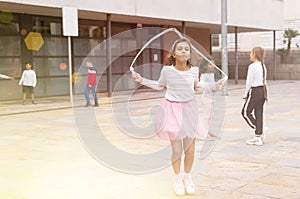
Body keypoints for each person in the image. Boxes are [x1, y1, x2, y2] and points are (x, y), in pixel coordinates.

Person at [132, 38, 205, 196]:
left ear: (190, 53)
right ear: (173, 53)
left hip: (190, 110)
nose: (184, 51)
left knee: (190, 150)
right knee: (177, 150)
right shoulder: (167, 71)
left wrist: (214, 86)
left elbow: (197, 87)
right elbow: (160, 86)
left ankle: (187, 177)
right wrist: (141, 80)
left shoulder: (194, 71)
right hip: (172, 111)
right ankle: (177, 178)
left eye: (186, 49)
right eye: (180, 49)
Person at [241, 47, 268, 146]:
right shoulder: (263, 66)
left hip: (255, 91)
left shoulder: (253, 66)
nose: (250, 55)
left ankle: (259, 130)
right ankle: (258, 137)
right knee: (258, 113)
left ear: (255, 54)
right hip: (263, 90)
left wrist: (245, 94)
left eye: (251, 53)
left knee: (245, 112)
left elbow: (249, 81)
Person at [199, 57, 225, 140]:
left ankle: (208, 131)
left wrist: (220, 85)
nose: (212, 66)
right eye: (210, 64)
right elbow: (205, 86)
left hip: (212, 98)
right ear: (205, 66)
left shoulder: (211, 75)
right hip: (206, 98)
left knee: (211, 116)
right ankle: (203, 133)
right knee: (207, 116)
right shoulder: (204, 75)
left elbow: (214, 88)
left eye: (213, 64)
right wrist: (217, 85)